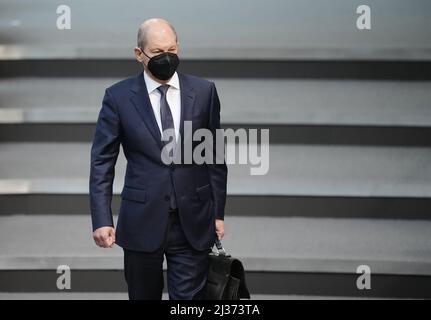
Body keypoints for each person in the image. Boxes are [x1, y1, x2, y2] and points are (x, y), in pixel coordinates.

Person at [89, 18, 227, 300]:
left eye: (172, 49)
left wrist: (218, 211)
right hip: (141, 218)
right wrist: (101, 219)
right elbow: (102, 161)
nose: (166, 57)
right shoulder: (118, 98)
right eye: (157, 52)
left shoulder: (203, 92)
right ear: (139, 54)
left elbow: (214, 158)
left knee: (188, 302)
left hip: (193, 219)